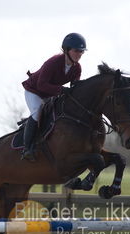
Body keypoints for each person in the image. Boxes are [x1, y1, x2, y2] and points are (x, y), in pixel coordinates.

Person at [21, 33, 86, 161]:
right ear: (66, 50)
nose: (79, 54)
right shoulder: (53, 62)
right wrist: (61, 90)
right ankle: (27, 148)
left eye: (82, 52)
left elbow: (74, 88)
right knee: (37, 111)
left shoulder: (77, 68)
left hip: (50, 94)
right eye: (77, 51)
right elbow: (41, 85)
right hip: (34, 91)